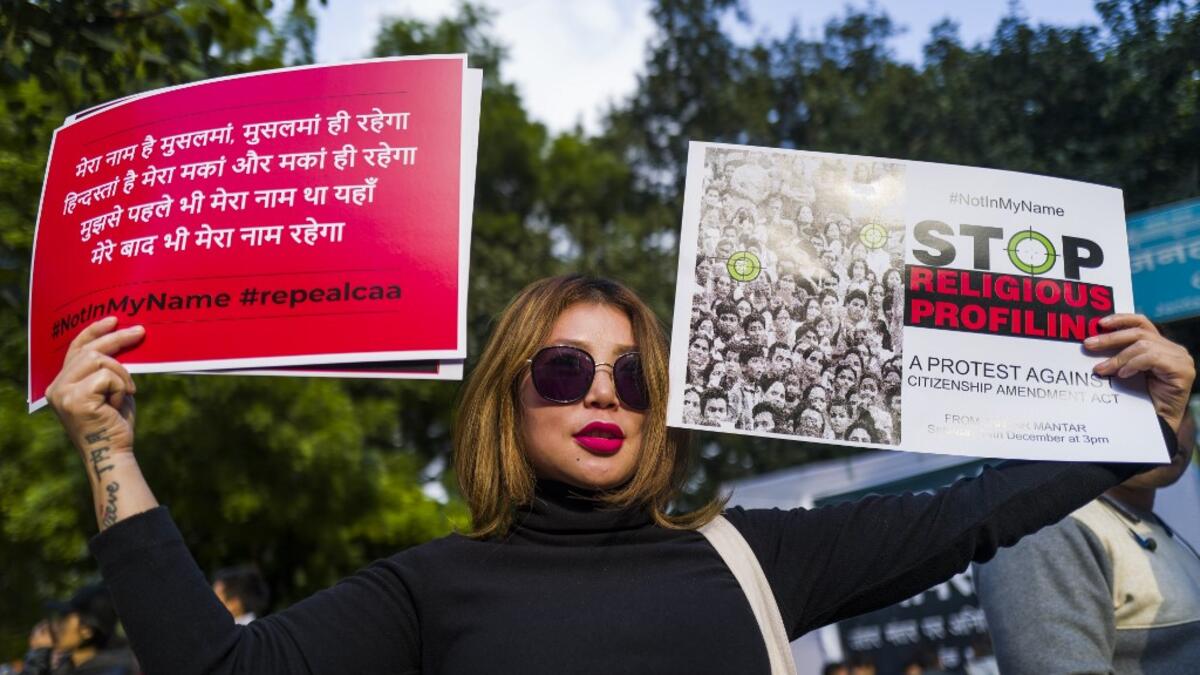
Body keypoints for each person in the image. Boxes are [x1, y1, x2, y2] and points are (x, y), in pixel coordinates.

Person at [45, 275, 1193, 674]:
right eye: (565, 365)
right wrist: (110, 451)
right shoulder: (427, 591)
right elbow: (213, 668)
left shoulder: (759, 556)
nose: (603, 392)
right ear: (510, 393)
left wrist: (1145, 425)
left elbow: (979, 512)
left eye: (635, 376)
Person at [975, 412, 1200, 674]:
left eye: (1180, 408)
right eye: (1144, 405)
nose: (1168, 426)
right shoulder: (1047, 530)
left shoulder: (1154, 527)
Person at [22, 584, 136, 675]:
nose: (54, 625)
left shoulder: (115, 669)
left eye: (64, 619)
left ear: (86, 631)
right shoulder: (70, 664)